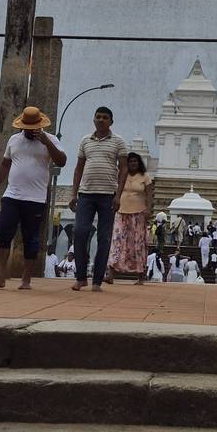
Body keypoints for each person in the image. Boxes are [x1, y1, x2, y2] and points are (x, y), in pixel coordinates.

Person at [0, 106, 66, 291]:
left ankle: (26, 279)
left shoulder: (50, 139)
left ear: (40, 126)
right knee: (3, 233)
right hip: (12, 195)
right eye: (26, 128)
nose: (29, 131)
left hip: (35, 198)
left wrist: (46, 142)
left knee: (31, 238)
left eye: (33, 128)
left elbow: (61, 161)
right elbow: (4, 165)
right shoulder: (14, 140)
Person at [69, 106, 128, 292]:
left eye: (105, 117)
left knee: (104, 238)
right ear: (93, 119)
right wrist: (73, 193)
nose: (101, 120)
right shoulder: (85, 141)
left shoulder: (118, 142)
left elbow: (124, 169)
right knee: (79, 233)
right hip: (85, 194)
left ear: (111, 121)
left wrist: (118, 196)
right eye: (98, 117)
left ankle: (97, 281)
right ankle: (80, 278)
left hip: (108, 196)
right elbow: (78, 168)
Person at [105, 151, 153, 284]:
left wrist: (148, 209)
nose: (133, 163)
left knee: (138, 244)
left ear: (139, 163)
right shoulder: (121, 176)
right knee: (117, 242)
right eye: (130, 161)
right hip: (121, 213)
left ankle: (140, 276)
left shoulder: (145, 177)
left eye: (135, 161)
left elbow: (149, 194)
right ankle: (111, 273)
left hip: (139, 214)